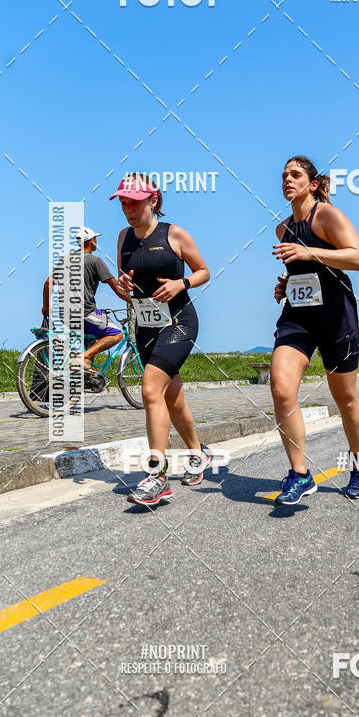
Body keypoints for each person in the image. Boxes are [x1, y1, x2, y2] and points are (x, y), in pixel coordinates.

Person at [270, 155, 359, 505]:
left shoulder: (326, 215)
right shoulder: (283, 229)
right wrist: (285, 285)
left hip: (335, 318)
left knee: (345, 399)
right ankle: (300, 474)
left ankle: (358, 465)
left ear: (312, 185)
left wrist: (309, 252)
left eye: (295, 175)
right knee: (281, 389)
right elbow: (301, 272)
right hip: (297, 317)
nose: (287, 180)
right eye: (283, 175)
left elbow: (358, 258)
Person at [110, 174, 212, 506]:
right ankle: (198, 452)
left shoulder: (174, 233)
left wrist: (180, 284)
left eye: (134, 202)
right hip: (145, 325)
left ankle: (157, 475)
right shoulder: (123, 237)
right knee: (173, 398)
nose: (128, 209)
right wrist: (123, 288)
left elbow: (203, 271)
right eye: (123, 203)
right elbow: (128, 287)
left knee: (150, 388)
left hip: (179, 322)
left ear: (152, 200)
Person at [42, 226, 129, 385]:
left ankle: (87, 377)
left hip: (65, 314)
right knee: (117, 334)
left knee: (90, 339)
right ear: (92, 241)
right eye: (96, 240)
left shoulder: (65, 259)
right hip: (85, 311)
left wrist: (46, 306)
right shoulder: (96, 261)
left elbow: (48, 283)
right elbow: (115, 287)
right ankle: (84, 357)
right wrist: (132, 301)